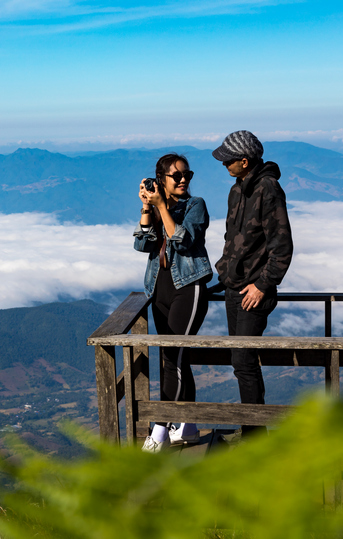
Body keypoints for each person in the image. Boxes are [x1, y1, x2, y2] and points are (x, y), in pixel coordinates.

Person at [211, 130, 293, 439]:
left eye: (228, 160)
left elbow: (282, 245)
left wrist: (263, 285)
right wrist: (224, 274)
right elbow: (234, 240)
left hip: (252, 292)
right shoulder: (238, 189)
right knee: (240, 361)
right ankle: (253, 431)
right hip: (234, 288)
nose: (224, 165)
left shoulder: (268, 190)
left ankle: (256, 436)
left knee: (244, 361)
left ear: (244, 161)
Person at [134, 153, 213, 453]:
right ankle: (189, 426)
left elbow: (182, 239)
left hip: (188, 289)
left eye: (187, 175)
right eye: (176, 176)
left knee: (172, 358)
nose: (183, 180)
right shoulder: (157, 207)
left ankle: (159, 429)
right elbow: (143, 244)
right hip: (159, 290)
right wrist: (146, 207)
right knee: (177, 359)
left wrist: (161, 208)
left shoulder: (196, 205)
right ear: (161, 180)